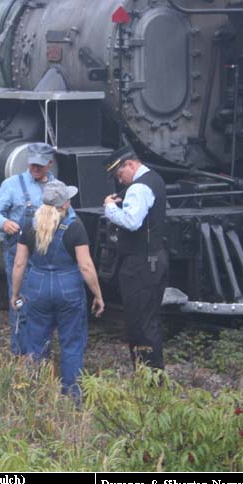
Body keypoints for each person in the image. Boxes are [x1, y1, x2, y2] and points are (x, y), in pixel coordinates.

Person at [10, 180, 105, 399]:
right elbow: (85, 265)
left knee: (37, 343)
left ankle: (36, 395)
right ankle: (72, 395)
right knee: (71, 343)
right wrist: (98, 295)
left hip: (37, 288)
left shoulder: (30, 226)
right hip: (68, 288)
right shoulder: (75, 227)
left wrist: (15, 293)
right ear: (65, 203)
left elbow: (19, 264)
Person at [0, 142, 73, 354]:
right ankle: (21, 354)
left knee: (44, 307)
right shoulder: (12, 184)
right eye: (32, 164)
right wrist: (4, 223)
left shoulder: (59, 187)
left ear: (50, 164)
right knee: (21, 305)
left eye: (40, 165)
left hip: (49, 257)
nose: (35, 168)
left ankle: (40, 355)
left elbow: (70, 217)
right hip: (18, 253)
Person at [102, 145, 168, 370]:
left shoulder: (138, 188)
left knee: (139, 323)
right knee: (149, 320)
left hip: (141, 263)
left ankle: (147, 377)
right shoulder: (155, 178)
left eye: (119, 174)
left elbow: (132, 222)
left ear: (130, 164)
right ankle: (153, 374)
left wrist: (110, 208)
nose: (120, 180)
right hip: (154, 258)